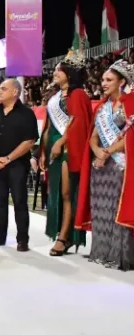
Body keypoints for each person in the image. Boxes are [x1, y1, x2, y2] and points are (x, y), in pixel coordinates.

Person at [76, 60, 134, 270]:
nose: (104, 83)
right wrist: (97, 150)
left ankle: (119, 255)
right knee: (101, 207)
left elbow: (131, 138)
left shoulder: (131, 103)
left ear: (121, 81)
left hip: (121, 165)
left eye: (109, 80)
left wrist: (108, 151)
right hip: (100, 165)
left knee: (116, 207)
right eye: (102, 80)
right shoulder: (101, 107)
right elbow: (93, 136)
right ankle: (101, 251)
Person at [41, 51, 92, 256]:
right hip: (53, 151)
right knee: (55, 194)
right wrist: (43, 153)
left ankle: (65, 236)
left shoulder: (78, 94)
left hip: (67, 150)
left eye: (58, 71)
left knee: (67, 193)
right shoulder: (54, 99)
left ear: (68, 74)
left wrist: (61, 141)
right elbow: (48, 127)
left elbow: (78, 121)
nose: (54, 73)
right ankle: (60, 233)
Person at [0, 79, 39, 251]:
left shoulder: (26, 113)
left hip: (17, 165)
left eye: (3, 89)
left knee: (20, 201)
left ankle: (22, 239)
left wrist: (8, 158)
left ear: (15, 92)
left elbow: (29, 141)